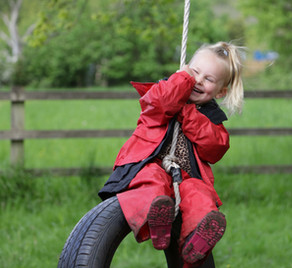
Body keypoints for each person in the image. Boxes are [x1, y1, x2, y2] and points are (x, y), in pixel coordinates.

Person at [98, 41, 244, 267]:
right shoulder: (166, 89)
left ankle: (196, 240)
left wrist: (188, 115)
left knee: (200, 196)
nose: (198, 80)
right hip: (150, 163)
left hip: (187, 177)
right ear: (184, 69)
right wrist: (181, 82)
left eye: (209, 79)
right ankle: (159, 218)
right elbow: (156, 107)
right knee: (152, 182)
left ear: (221, 91)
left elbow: (216, 147)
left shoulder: (213, 117)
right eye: (194, 72)